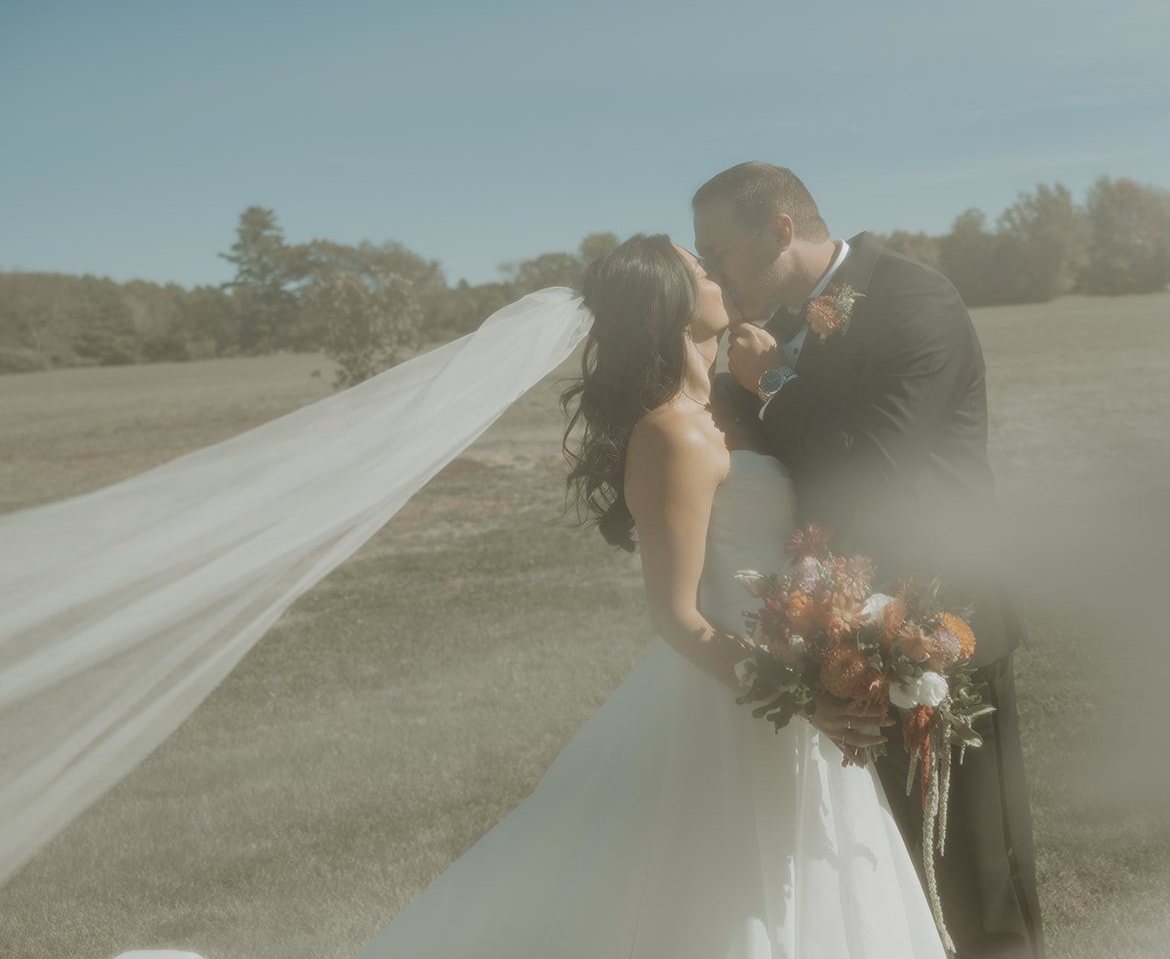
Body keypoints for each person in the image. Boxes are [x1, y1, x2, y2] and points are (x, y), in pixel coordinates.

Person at [348, 234, 948, 958]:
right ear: (672, 303)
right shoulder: (672, 434)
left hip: (795, 667)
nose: (718, 269)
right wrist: (800, 695)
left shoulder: (734, 402)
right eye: (700, 267)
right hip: (735, 695)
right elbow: (676, 614)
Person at [694, 163, 1043, 958]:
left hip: (941, 622)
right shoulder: (776, 327)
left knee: (974, 878)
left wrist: (773, 381)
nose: (714, 271)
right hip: (833, 631)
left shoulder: (914, 298)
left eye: (719, 252)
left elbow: (874, 468)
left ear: (780, 231)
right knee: (882, 878)